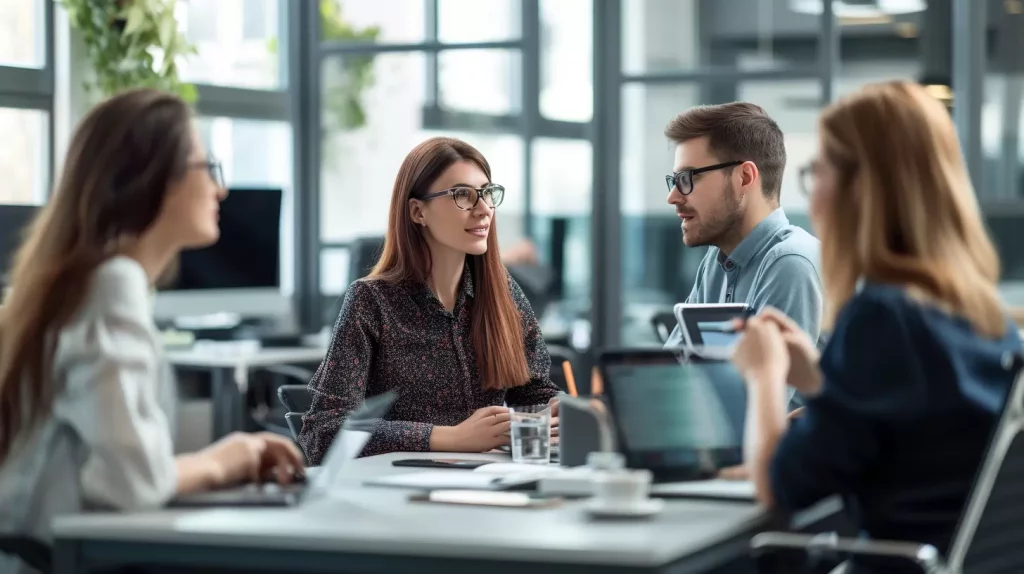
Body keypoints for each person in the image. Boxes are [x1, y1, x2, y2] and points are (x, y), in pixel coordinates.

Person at [0, 89, 303, 566]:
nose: (220, 190)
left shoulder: (88, 282)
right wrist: (226, 460)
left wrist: (230, 457)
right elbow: (132, 483)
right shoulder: (110, 286)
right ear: (158, 178)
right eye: (208, 168)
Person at [732, 81, 1022, 574]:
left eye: (816, 171)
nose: (813, 192)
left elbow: (780, 486)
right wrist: (819, 380)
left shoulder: (883, 316)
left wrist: (764, 376)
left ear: (859, 187)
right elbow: (910, 436)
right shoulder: (986, 317)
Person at [299, 137, 561, 465]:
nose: (484, 209)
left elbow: (534, 397)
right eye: (462, 195)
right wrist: (448, 437)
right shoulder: (371, 301)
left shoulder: (502, 294)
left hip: (488, 487)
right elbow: (322, 433)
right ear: (417, 211)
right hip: (396, 496)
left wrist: (562, 411)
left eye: (487, 193)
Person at [662, 102, 823, 349]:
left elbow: (769, 386)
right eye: (674, 181)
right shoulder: (715, 264)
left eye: (688, 178)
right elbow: (674, 370)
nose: (672, 196)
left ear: (744, 177)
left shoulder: (791, 263)